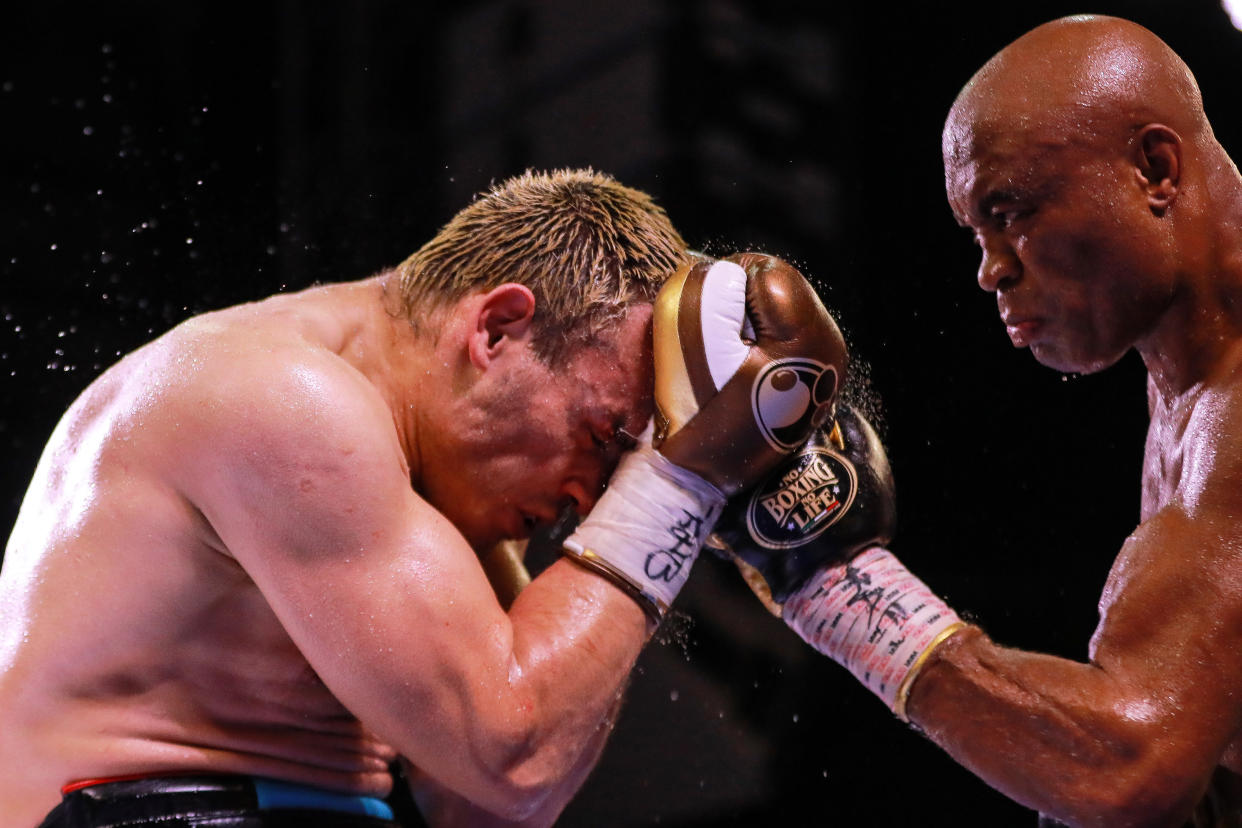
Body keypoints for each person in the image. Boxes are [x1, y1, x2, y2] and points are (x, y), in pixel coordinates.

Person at [0, 167, 848, 827]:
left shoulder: (430, 489)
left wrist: (679, 496)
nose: (591, 503)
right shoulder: (281, 397)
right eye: (602, 438)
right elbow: (508, 754)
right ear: (497, 330)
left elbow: (505, 801)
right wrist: (677, 483)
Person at [714, 14, 1242, 827]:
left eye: (1012, 210)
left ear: (1155, 169)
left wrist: (840, 591)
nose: (991, 269)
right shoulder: (1184, 371)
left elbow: (1129, 773)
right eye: (976, 231)